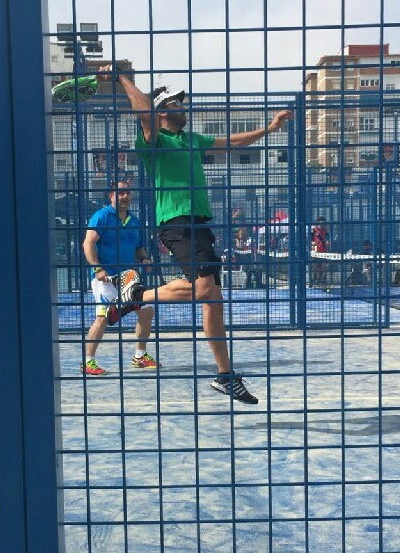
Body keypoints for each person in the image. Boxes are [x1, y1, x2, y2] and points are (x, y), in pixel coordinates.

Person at [97, 64, 293, 404]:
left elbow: (233, 141)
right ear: (161, 112)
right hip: (177, 222)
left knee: (213, 299)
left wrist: (270, 128)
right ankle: (136, 296)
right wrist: (121, 78)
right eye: (174, 103)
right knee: (204, 289)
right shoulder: (153, 140)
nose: (181, 107)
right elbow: (144, 114)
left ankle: (225, 375)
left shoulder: (191, 140)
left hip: (199, 225)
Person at [81, 180, 158, 375]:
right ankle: (88, 362)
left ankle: (140, 356)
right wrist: (98, 269)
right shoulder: (101, 216)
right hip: (105, 279)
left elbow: (139, 248)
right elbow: (88, 243)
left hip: (128, 278)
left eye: (128, 193)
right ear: (111, 195)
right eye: (121, 193)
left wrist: (144, 258)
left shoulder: (135, 221)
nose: (125, 196)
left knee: (147, 311)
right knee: (102, 317)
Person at [310, 216, 330, 287]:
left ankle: (322, 280)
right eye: (320, 223)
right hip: (316, 252)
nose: (322, 225)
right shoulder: (313, 231)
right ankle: (314, 280)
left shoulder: (325, 231)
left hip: (324, 252)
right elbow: (310, 240)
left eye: (323, 223)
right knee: (315, 267)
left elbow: (328, 239)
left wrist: (328, 242)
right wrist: (313, 244)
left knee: (324, 267)